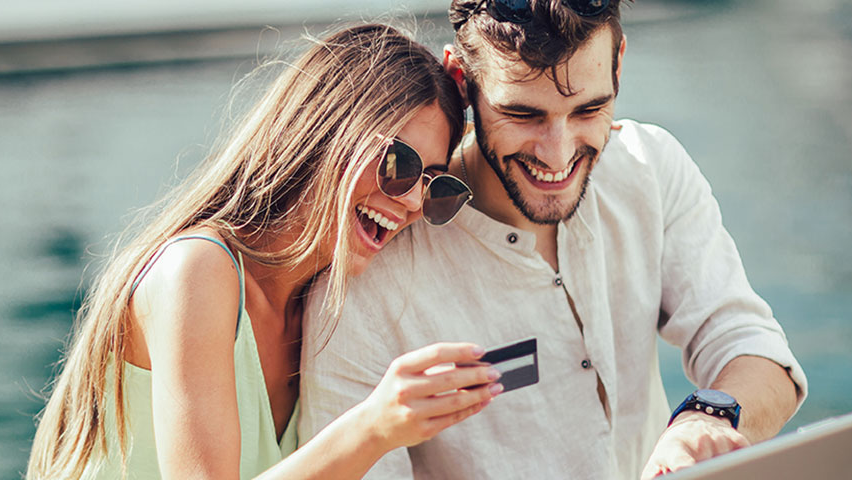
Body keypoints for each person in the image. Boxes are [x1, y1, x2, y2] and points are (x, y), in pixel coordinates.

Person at [299, 1, 808, 479]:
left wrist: (707, 420)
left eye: (589, 110)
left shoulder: (651, 168)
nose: (557, 155)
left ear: (619, 64)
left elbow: (751, 344)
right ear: (461, 81)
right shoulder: (363, 284)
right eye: (524, 114)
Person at [27, 24, 503, 480]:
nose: (413, 202)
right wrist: (373, 428)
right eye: (400, 164)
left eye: (434, 184)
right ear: (324, 134)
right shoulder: (198, 271)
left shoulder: (318, 303)